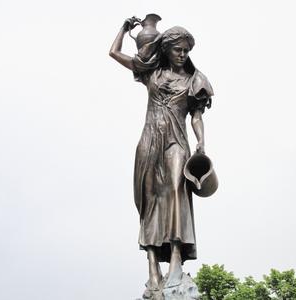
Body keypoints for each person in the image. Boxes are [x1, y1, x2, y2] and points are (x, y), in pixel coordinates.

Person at [109, 17, 213, 289]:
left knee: (176, 191)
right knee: (150, 198)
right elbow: (114, 53)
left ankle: (177, 259)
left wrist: (201, 141)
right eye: (178, 49)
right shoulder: (151, 73)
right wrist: (123, 29)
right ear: (166, 48)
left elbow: (197, 116)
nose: (182, 55)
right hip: (150, 140)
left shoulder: (194, 80)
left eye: (186, 51)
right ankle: (153, 269)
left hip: (177, 141)